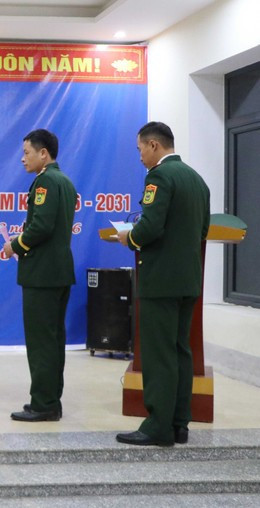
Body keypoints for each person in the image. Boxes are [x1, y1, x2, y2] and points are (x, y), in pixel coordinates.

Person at [115, 122, 210, 447]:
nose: (140, 155)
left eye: (140, 148)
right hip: (188, 280)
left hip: (160, 281)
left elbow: (151, 226)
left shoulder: (159, 177)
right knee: (181, 350)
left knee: (158, 353)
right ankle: (179, 423)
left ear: (154, 145)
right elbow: (202, 231)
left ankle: (157, 426)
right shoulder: (197, 180)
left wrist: (129, 237)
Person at [3, 129, 77, 422]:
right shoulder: (64, 180)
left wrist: (15, 245)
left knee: (41, 342)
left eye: (27, 153)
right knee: (54, 339)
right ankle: (51, 399)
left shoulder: (45, 181)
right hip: (58, 271)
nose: (22, 159)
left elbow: (42, 226)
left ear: (43, 153)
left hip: (42, 273)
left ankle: (43, 403)